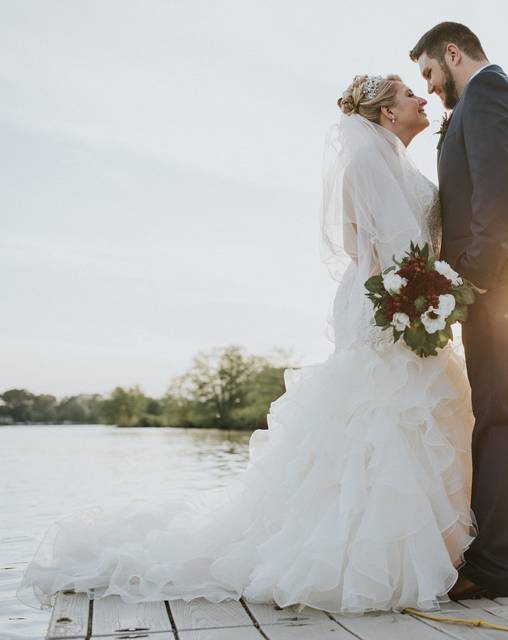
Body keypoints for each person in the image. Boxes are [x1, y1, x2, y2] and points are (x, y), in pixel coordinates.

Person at [17, 74, 477, 615]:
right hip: (388, 310)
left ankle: (435, 554)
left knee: (421, 421)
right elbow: (368, 251)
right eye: (408, 94)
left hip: (418, 307)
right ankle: (374, 561)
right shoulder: (363, 164)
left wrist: (431, 293)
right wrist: (408, 298)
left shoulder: (408, 166)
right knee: (380, 423)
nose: (421, 98)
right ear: (385, 114)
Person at [411, 22, 508, 599]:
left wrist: (467, 283)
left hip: (507, 287)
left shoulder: (486, 94)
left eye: (429, 72)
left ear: (452, 54)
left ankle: (494, 567)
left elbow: (495, 195)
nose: (428, 88)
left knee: (504, 419)